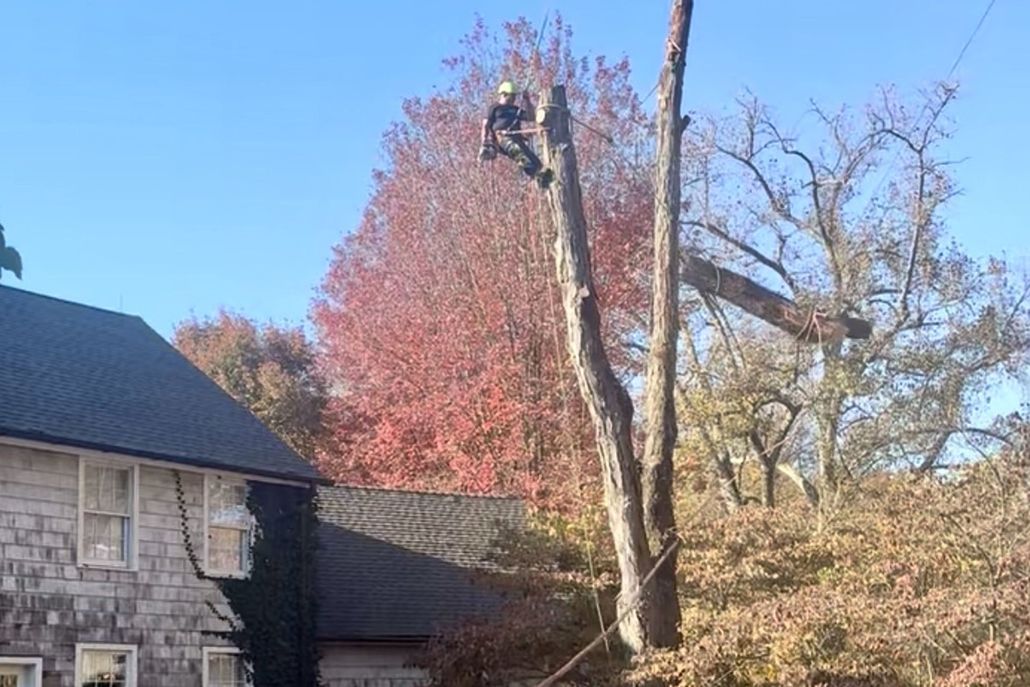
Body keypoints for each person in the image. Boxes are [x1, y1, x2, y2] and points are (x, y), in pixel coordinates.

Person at [479, 81, 553, 189]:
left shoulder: (515, 110)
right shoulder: (495, 108)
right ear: (503, 94)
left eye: (514, 96)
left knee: (536, 162)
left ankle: (545, 180)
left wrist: (527, 100)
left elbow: (531, 117)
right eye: (511, 96)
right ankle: (538, 177)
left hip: (517, 139)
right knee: (519, 154)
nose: (514, 98)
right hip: (502, 138)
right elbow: (485, 125)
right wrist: (484, 142)